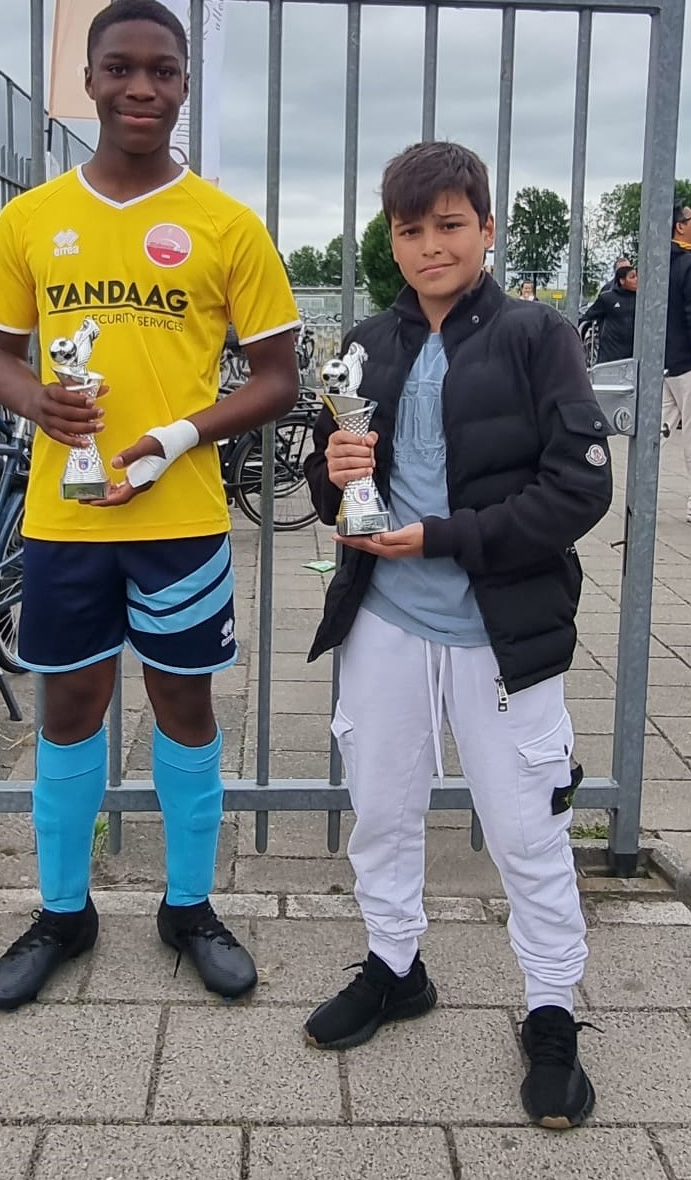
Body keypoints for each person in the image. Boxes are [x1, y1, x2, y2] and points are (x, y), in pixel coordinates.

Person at [0, 0, 300, 1009]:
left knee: (184, 704)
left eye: (162, 70)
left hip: (181, 519)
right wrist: (38, 402)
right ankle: (62, 912)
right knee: (69, 706)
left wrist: (178, 436)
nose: (141, 87)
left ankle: (188, 906)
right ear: (90, 81)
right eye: (121, 68)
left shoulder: (226, 224)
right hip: (66, 518)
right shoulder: (31, 218)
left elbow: (279, 379)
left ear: (185, 84)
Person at [302, 141, 613, 1130]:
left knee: (526, 830)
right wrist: (332, 474)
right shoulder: (365, 342)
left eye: (449, 225)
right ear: (391, 239)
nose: (430, 246)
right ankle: (395, 968)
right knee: (383, 811)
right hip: (385, 623)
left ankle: (552, 1011)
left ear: (485, 229)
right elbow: (332, 485)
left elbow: (579, 489)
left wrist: (441, 537)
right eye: (410, 229)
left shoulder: (537, 335)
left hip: (499, 632)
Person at [663, 203, 691, 522]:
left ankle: (638, 484)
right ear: (680, 226)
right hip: (687, 361)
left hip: (666, 360)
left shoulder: (660, 262)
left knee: (657, 428)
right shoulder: (687, 263)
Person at [578, 263, 638, 365]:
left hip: (634, 355)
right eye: (632, 277)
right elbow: (588, 317)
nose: (637, 280)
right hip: (610, 355)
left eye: (637, 276)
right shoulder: (608, 298)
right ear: (622, 281)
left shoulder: (642, 299)